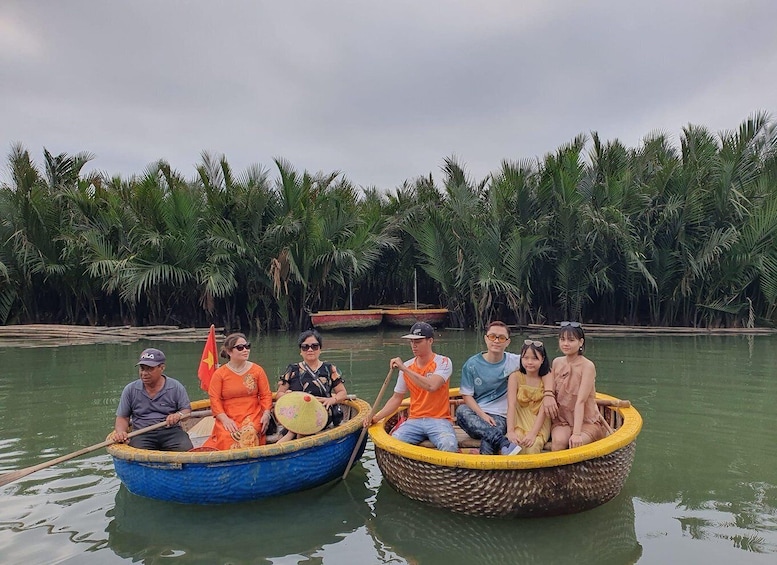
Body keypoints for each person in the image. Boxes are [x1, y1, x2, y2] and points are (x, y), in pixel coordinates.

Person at [365, 322, 458, 452]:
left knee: (449, 445)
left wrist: (403, 368)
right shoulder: (407, 366)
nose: (414, 346)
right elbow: (396, 398)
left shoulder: (443, 362)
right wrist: (375, 417)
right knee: (393, 443)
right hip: (414, 420)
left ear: (430, 341)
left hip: (439, 420)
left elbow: (432, 386)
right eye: (411, 342)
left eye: (418, 341)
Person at [454, 321, 521, 455]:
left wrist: (548, 393)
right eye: (492, 336)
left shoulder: (515, 361)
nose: (496, 341)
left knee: (489, 438)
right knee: (461, 411)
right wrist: (483, 415)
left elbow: (542, 366)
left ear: (508, 342)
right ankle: (503, 443)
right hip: (478, 415)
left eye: (501, 338)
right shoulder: (472, 364)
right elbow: (467, 395)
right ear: (486, 338)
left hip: (501, 416)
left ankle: (484, 473)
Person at [113, 348, 193, 451]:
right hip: (141, 433)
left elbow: (186, 411)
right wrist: (120, 432)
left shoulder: (175, 387)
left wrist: (178, 415)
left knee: (186, 448)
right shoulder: (130, 389)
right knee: (138, 453)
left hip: (171, 432)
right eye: (142, 369)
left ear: (162, 368)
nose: (144, 373)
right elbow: (122, 418)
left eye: (149, 369)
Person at [202, 333, 273, 450]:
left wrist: (266, 414)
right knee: (227, 436)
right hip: (228, 415)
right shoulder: (219, 374)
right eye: (240, 348)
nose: (245, 350)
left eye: (247, 346)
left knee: (248, 434)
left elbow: (266, 395)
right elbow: (214, 399)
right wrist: (225, 419)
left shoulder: (257, 370)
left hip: (253, 413)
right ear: (229, 352)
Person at [276, 329, 348, 442]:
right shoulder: (292, 369)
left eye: (314, 346)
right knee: (299, 421)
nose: (310, 350)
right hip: (296, 412)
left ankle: (288, 438)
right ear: (300, 351)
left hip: (321, 411)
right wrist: (286, 395)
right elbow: (279, 394)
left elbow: (342, 393)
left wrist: (332, 400)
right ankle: (293, 435)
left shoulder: (329, 369)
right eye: (305, 347)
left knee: (299, 427)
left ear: (320, 349)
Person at [546, 322, 607, 450]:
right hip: (562, 420)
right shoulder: (557, 362)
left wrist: (577, 434)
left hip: (585, 421)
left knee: (575, 445)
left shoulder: (587, 366)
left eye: (571, 340)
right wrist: (548, 395)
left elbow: (581, 401)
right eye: (562, 339)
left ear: (581, 342)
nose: (565, 344)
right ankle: (557, 470)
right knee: (558, 443)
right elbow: (550, 389)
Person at [504, 339, 552, 454]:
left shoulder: (546, 378)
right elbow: (511, 405)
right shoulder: (515, 377)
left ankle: (532, 472)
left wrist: (533, 433)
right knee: (515, 443)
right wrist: (510, 430)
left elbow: (543, 410)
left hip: (539, 422)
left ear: (542, 359)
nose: (529, 362)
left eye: (535, 358)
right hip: (519, 420)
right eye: (525, 358)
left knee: (533, 444)